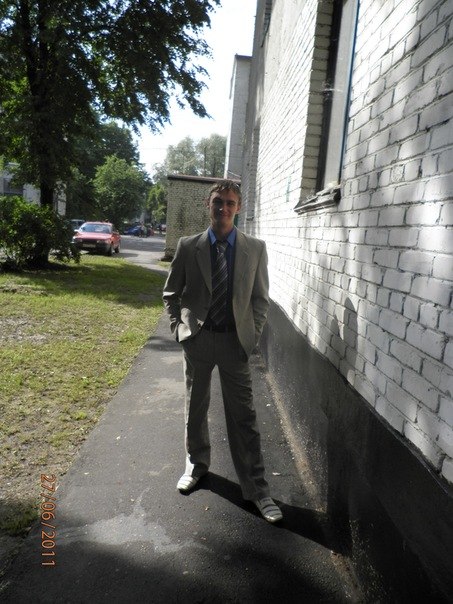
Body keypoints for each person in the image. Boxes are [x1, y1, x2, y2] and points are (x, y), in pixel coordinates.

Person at [163, 180, 282, 523]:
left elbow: (260, 299)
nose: (223, 208)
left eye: (230, 203)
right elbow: (171, 293)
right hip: (198, 340)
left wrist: (252, 335)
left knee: (244, 417)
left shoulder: (255, 248)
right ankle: (196, 466)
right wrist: (180, 330)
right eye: (218, 202)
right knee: (195, 408)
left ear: (238, 207)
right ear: (208, 204)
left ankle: (257, 490)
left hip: (234, 343)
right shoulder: (189, 246)